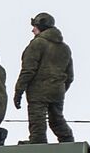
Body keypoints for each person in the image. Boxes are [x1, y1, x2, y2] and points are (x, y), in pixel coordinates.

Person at [12, 12, 75, 143]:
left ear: (41, 26)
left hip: (38, 91)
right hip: (58, 91)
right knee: (57, 119)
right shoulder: (65, 48)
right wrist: (60, 88)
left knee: (37, 121)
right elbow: (70, 76)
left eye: (34, 26)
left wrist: (18, 91)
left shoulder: (37, 44)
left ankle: (37, 144)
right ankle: (69, 142)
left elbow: (28, 71)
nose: (32, 29)